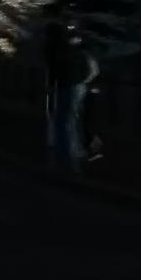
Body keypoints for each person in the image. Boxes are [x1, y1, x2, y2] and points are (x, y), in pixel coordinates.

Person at [44, 20, 100, 173]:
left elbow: (54, 69)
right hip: (76, 85)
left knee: (64, 121)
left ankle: (68, 156)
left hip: (67, 85)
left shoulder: (57, 49)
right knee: (70, 120)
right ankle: (70, 154)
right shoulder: (76, 50)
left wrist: (51, 85)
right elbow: (89, 68)